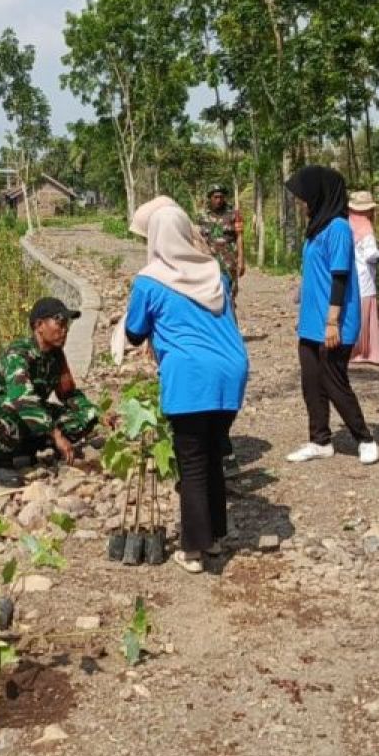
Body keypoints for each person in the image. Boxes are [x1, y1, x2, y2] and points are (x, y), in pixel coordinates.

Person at [124, 201, 249, 574]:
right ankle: (214, 537)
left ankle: (193, 550)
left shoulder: (149, 281)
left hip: (190, 378)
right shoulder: (214, 273)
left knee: (192, 463)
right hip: (231, 371)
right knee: (212, 456)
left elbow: (133, 334)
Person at [283, 165, 378, 465]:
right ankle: (320, 440)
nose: (301, 202)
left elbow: (339, 277)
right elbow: (316, 276)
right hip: (313, 321)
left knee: (334, 381)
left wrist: (331, 321)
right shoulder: (317, 228)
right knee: (311, 382)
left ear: (319, 194)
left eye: (304, 196)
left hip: (335, 321)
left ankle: (364, 437)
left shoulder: (338, 228)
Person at [0, 297, 99, 482]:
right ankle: (1, 463)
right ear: (39, 325)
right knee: (10, 410)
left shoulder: (56, 356)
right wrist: (56, 434)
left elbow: (68, 394)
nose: (65, 330)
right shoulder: (18, 354)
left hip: (31, 412)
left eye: (67, 325)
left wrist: (97, 413)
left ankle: (27, 447)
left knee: (86, 416)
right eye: (60, 323)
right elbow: (22, 399)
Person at [348, 190, 379, 365]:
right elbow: (370, 255)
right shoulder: (365, 226)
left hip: (351, 275)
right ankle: (364, 351)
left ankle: (352, 349)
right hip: (364, 276)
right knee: (364, 315)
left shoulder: (347, 223)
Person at [197, 184, 245, 305]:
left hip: (229, 263)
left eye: (221, 197)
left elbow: (239, 236)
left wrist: (241, 260)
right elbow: (197, 239)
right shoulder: (202, 216)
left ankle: (230, 322)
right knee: (209, 297)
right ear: (210, 198)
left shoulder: (234, 214)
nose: (218, 200)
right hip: (208, 262)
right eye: (215, 197)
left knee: (230, 297)